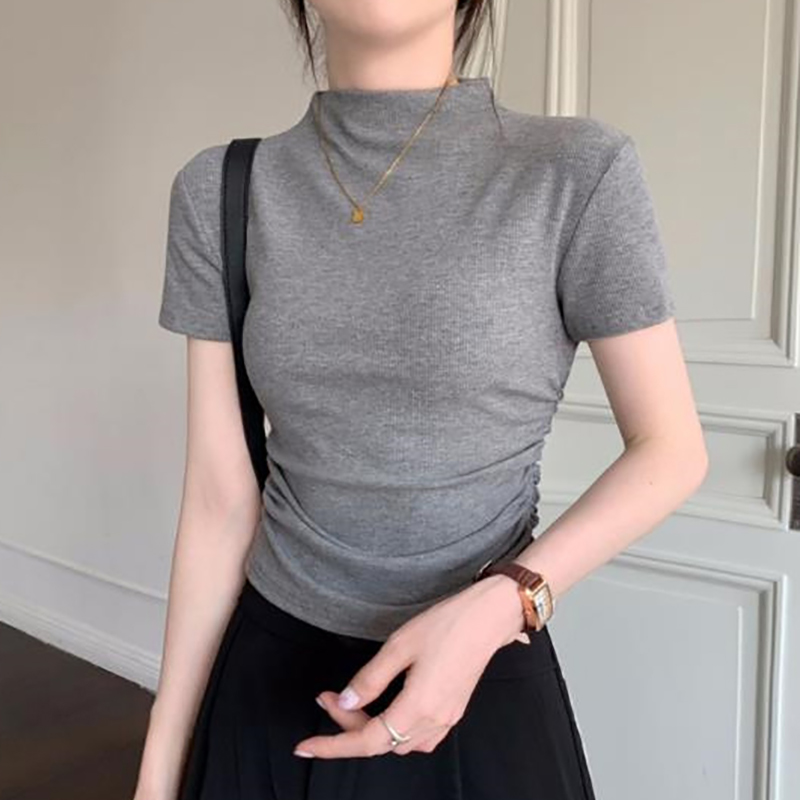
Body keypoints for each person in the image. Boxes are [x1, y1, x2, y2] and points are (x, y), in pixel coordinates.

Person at [134, 1, 708, 798]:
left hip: (480, 681)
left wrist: (504, 603)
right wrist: (162, 759)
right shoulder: (221, 191)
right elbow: (218, 500)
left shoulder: (576, 170)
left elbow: (671, 449)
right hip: (267, 685)